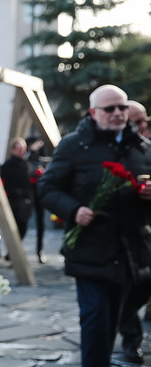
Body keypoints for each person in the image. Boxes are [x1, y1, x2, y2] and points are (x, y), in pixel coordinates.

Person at [38, 85, 151, 367]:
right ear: (93, 112)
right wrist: (73, 210)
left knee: (116, 319)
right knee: (97, 325)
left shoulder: (141, 148)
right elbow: (47, 188)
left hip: (132, 254)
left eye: (122, 107)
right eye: (109, 108)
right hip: (91, 253)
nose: (117, 113)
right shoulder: (73, 145)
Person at [116, 99, 151, 364]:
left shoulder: (147, 149)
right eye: (136, 121)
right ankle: (131, 341)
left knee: (142, 285)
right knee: (125, 288)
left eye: (144, 121)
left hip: (144, 232)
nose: (141, 126)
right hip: (115, 234)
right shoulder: (109, 148)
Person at [0, 137, 32, 243]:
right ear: (13, 150)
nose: (22, 151)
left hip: (24, 200)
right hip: (12, 201)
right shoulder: (7, 166)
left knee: (23, 227)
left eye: (24, 149)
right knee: (14, 228)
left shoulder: (26, 164)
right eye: (20, 149)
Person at [25, 136, 47, 263]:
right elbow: (24, 163)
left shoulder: (41, 158)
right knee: (21, 223)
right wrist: (31, 151)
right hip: (27, 194)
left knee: (40, 223)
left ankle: (39, 250)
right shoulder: (27, 157)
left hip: (38, 194)